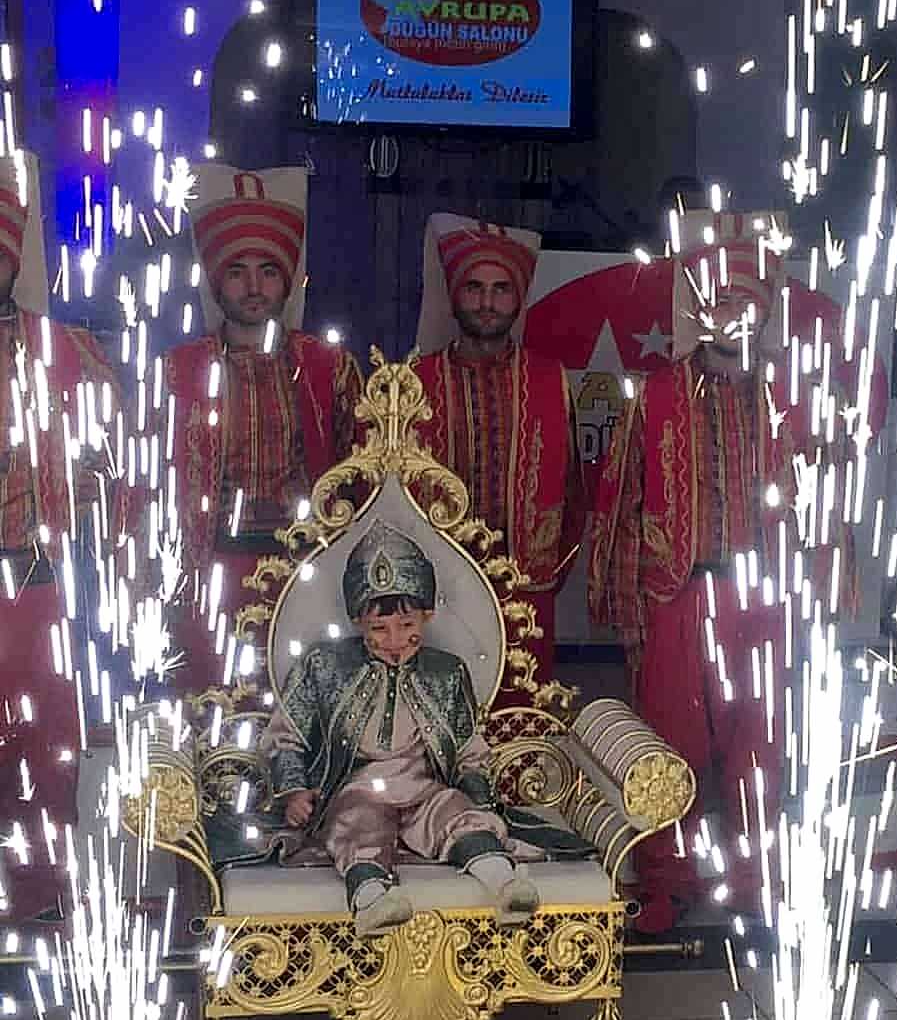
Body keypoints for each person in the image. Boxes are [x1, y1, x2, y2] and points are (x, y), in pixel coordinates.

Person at [589, 213, 852, 934]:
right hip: (679, 590)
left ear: (762, 313)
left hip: (766, 594)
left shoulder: (789, 400)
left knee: (759, 741)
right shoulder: (655, 394)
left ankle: (752, 876)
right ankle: (664, 878)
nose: (729, 314)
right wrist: (626, 606)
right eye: (717, 301)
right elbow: (620, 502)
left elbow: (827, 502)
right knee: (667, 738)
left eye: (743, 302)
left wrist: (823, 587)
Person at [226, 520, 588, 936]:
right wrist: (294, 790)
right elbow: (285, 736)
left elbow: (468, 748)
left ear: (427, 616)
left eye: (407, 625)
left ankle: (505, 884)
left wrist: (478, 797)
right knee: (358, 825)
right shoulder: (324, 666)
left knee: (457, 813)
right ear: (358, 621)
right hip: (356, 791)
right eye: (379, 628)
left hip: (423, 790)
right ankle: (372, 900)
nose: (395, 639)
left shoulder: (446, 672)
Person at [164, 165, 362, 695]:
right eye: (237, 271)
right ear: (214, 279)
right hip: (209, 573)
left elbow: (359, 477)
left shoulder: (327, 366)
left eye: (268, 271)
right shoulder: (178, 370)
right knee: (211, 709)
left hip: (304, 572)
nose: (254, 287)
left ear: (288, 278)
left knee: (300, 711)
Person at [0, 152, 125, 920]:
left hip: (36, 583)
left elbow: (118, 464)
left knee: (45, 752)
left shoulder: (69, 353)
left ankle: (43, 902)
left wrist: (89, 484)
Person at [413, 214, 584, 700]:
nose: (487, 303)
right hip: (436, 593)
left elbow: (574, 494)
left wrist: (544, 572)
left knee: (524, 716)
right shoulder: (417, 380)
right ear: (454, 294)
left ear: (518, 297)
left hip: (525, 592)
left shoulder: (550, 380)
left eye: (501, 289)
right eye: (474, 287)